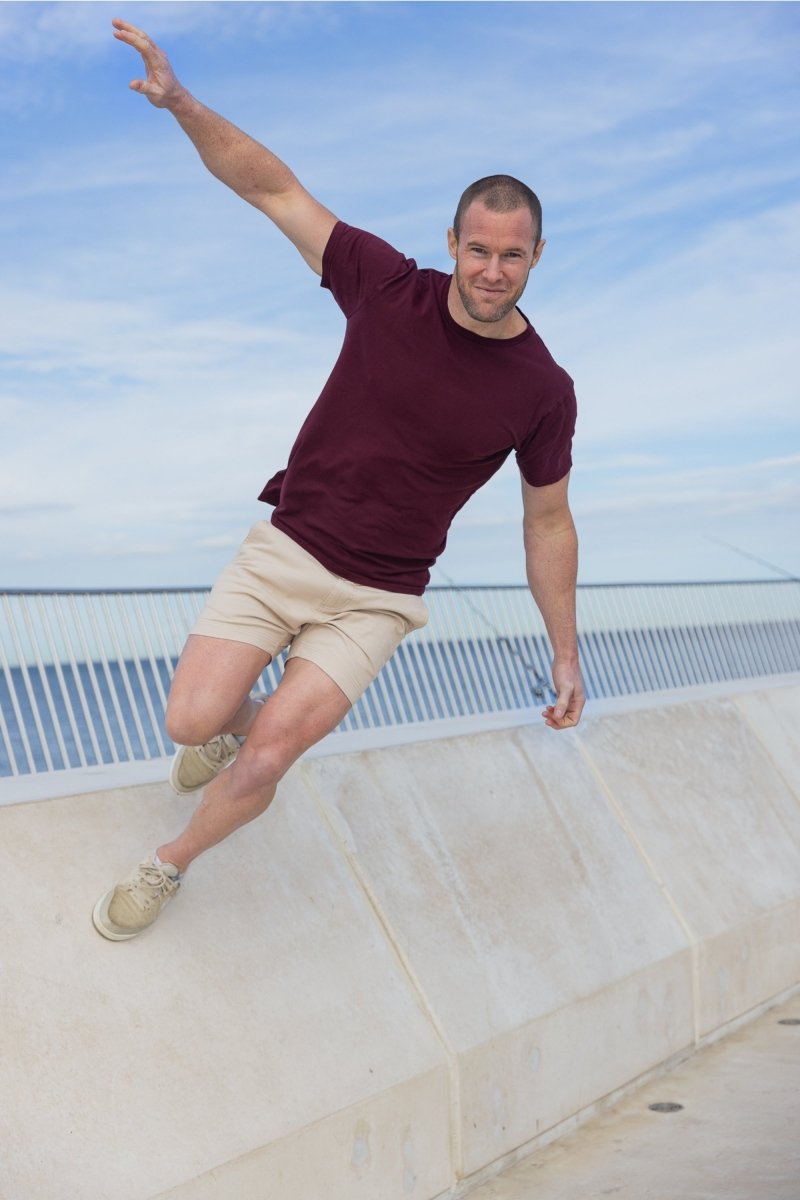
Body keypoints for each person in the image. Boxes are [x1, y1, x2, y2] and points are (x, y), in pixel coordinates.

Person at [92, 18, 586, 941]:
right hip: (288, 548)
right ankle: (230, 724)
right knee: (190, 722)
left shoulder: (543, 389)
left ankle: (168, 865)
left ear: (535, 258)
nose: (490, 270)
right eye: (478, 249)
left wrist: (564, 648)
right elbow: (274, 187)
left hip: (379, 598)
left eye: (511, 255)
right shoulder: (383, 282)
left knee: (273, 752)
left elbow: (549, 523)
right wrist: (180, 104)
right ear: (453, 240)